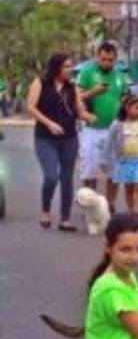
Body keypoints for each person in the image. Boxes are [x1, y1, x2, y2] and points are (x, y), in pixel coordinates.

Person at [26, 52, 93, 231]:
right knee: (51, 176)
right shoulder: (40, 83)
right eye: (66, 66)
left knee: (67, 178)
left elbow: (79, 110)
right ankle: (45, 209)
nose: (70, 70)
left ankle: (65, 219)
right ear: (56, 67)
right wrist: (49, 124)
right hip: (45, 138)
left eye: (71, 66)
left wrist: (91, 117)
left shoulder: (72, 87)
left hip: (69, 138)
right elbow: (30, 107)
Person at [76, 42, 128, 208]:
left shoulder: (120, 76)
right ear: (97, 57)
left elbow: (124, 98)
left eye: (110, 60)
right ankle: (89, 203)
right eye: (103, 59)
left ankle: (108, 204)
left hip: (113, 129)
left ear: (115, 59)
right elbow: (76, 98)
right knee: (89, 169)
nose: (106, 63)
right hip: (91, 129)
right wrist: (94, 91)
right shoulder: (86, 73)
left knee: (113, 169)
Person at [104, 95, 138, 214]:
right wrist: (105, 160)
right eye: (136, 108)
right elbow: (109, 142)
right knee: (129, 188)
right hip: (124, 161)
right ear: (127, 108)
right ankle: (132, 212)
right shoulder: (117, 124)